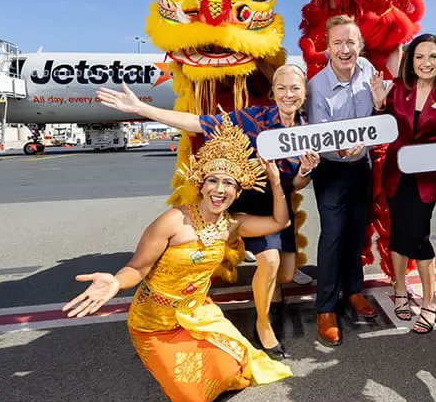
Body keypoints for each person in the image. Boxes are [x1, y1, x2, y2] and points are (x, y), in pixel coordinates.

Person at [62, 115, 292, 402]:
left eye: (229, 184)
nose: (219, 190)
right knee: (193, 400)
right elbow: (138, 268)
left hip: (199, 314)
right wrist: (117, 282)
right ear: (201, 183)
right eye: (213, 180)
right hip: (153, 324)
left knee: (233, 369)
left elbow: (280, 221)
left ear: (238, 192)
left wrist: (275, 181)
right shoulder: (173, 221)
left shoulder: (233, 225)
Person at [95, 64, 318, 359]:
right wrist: (141, 108)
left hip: (278, 200)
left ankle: (273, 297)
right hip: (242, 201)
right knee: (270, 259)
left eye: (295, 88)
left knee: (285, 274)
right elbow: (197, 123)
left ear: (304, 93)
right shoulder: (253, 117)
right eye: (282, 88)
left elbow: (298, 183)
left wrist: (306, 170)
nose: (288, 95)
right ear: (272, 91)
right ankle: (263, 325)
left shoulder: (310, 131)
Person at [371, 33, 436, 334]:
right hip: (395, 174)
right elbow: (381, 126)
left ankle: (430, 300)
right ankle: (400, 289)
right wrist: (376, 104)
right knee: (398, 234)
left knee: (419, 237)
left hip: (425, 177)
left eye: (433, 57)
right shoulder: (397, 88)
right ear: (410, 61)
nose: (426, 63)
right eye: (419, 56)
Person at [306, 14, 383, 346]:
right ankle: (325, 309)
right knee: (333, 235)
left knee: (356, 232)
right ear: (327, 48)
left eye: (351, 42)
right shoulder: (317, 87)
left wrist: (380, 104)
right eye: (337, 42)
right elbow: (321, 136)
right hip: (331, 170)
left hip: (361, 166)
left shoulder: (368, 71)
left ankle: (354, 291)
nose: (345, 49)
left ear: (360, 45)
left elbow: (380, 117)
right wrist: (345, 146)